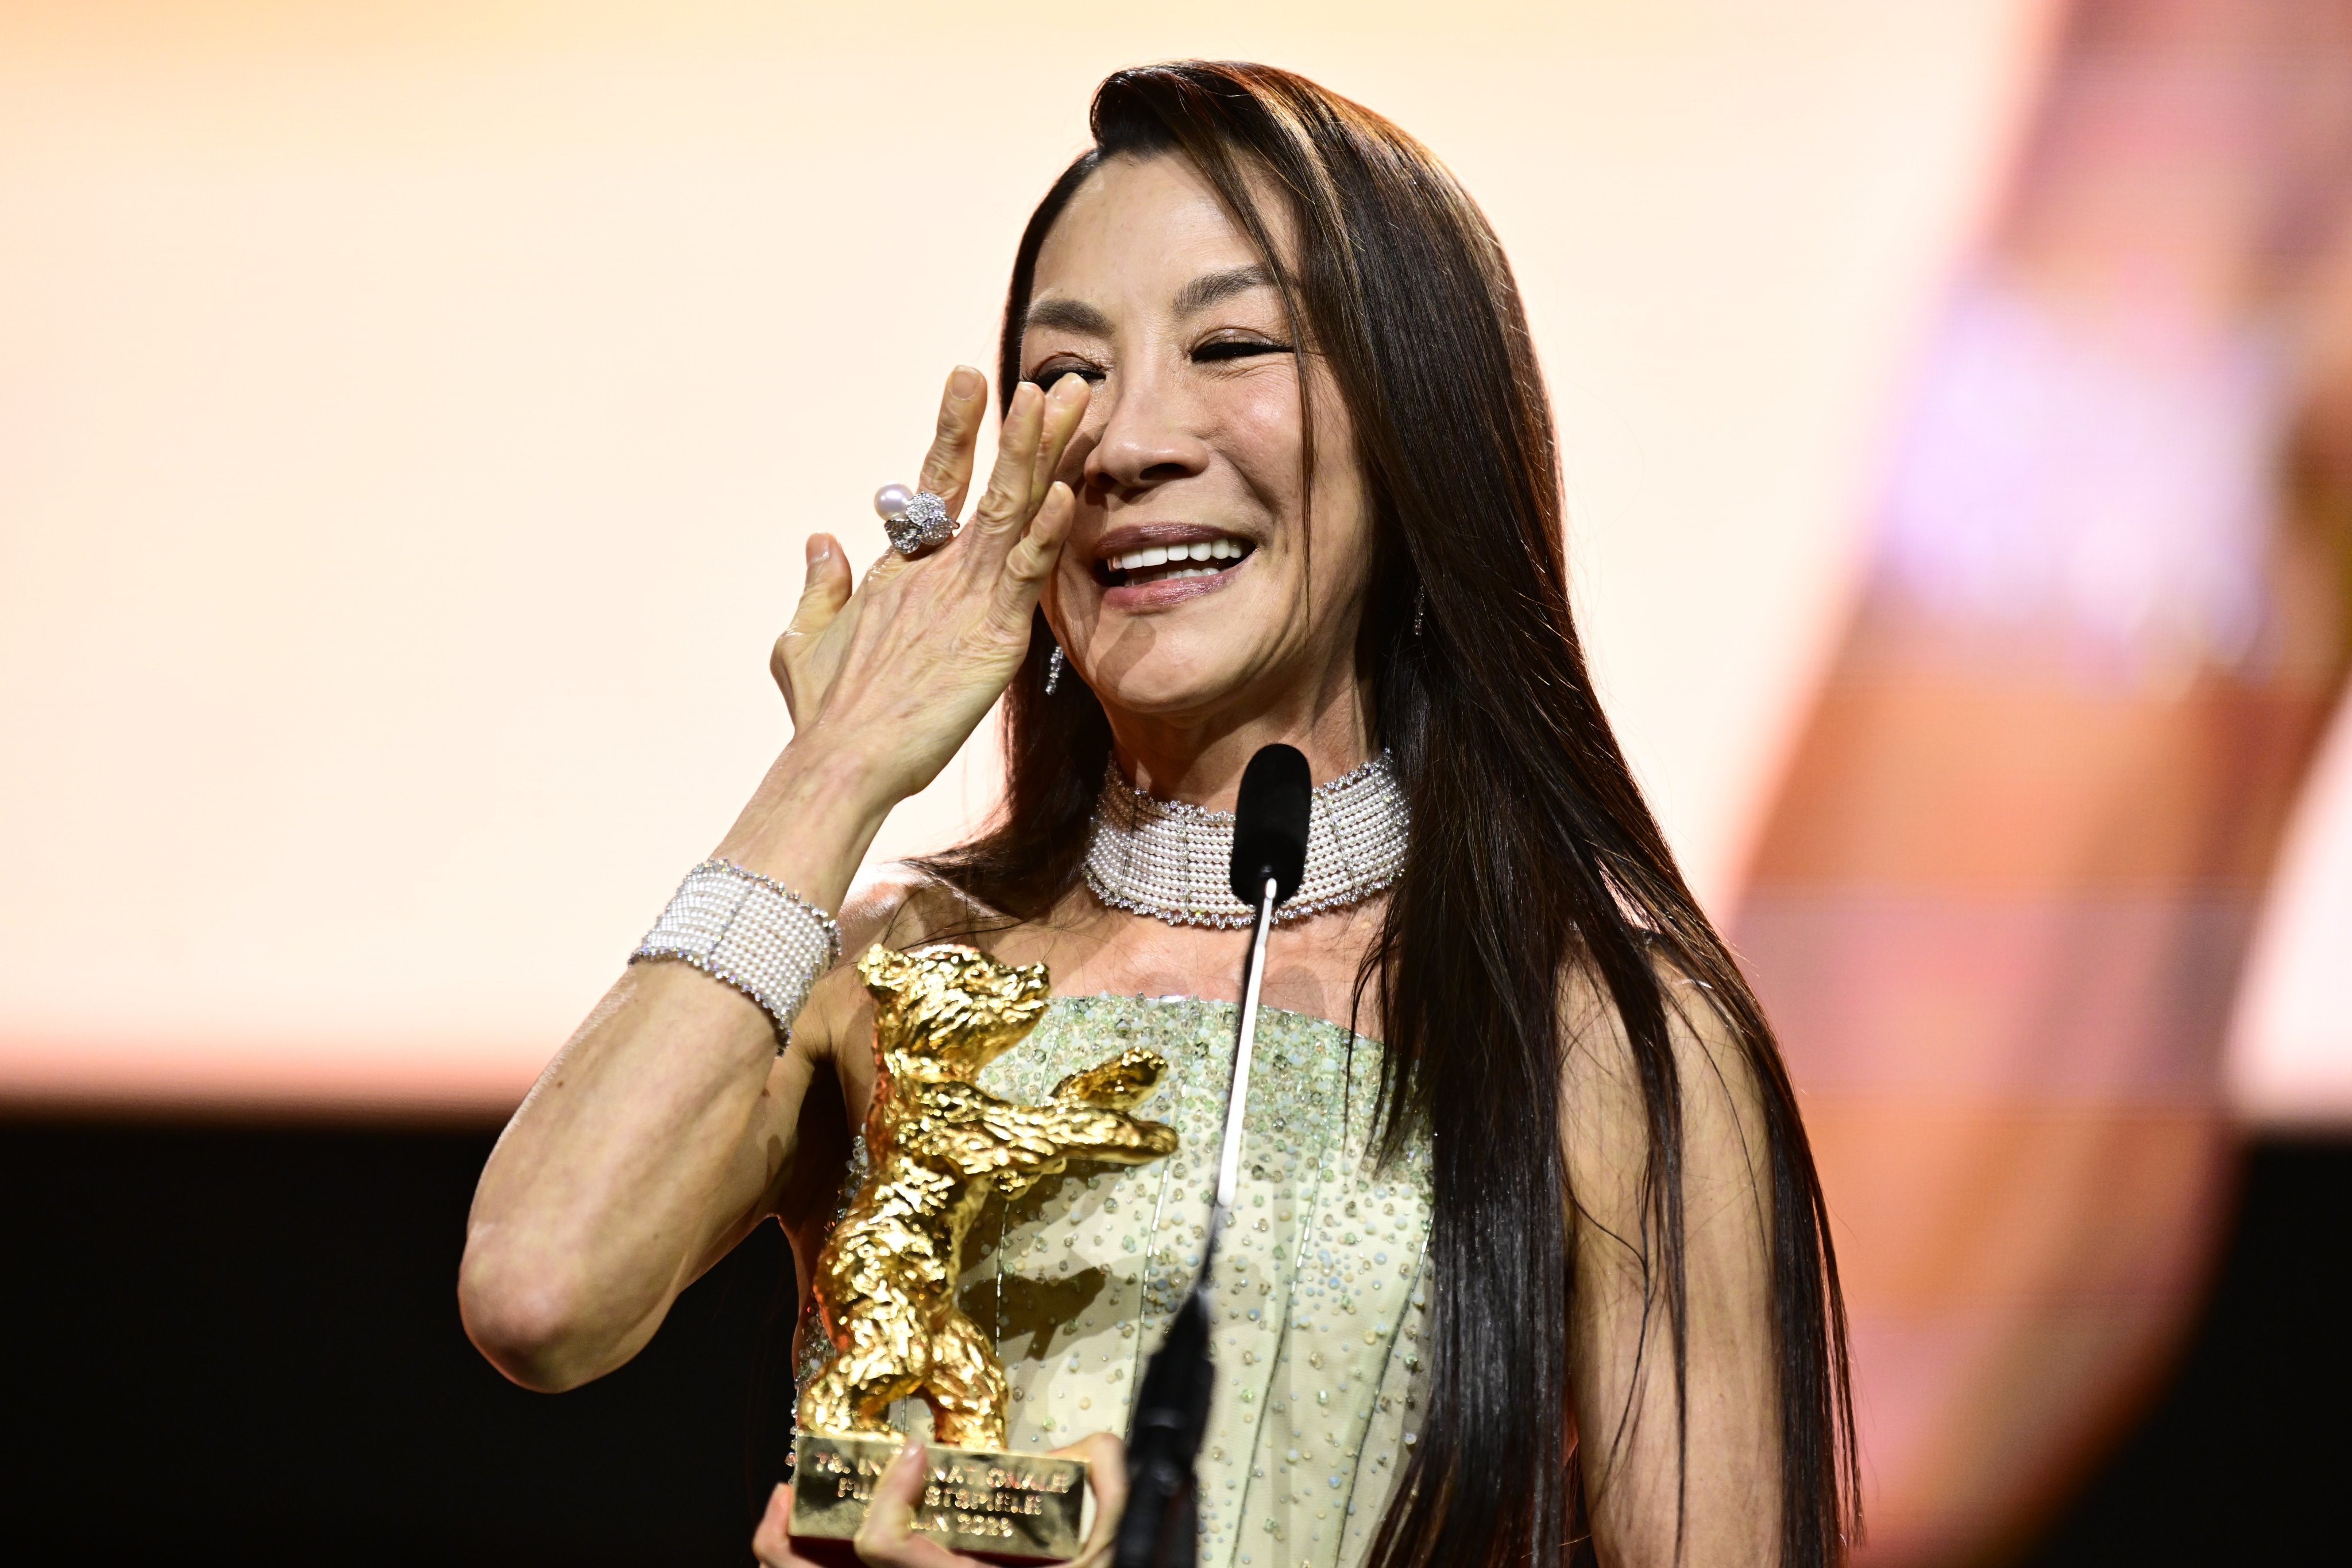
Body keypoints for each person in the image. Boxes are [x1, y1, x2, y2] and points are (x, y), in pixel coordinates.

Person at [458, 61, 1856, 1568]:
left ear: (1417, 424)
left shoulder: (1604, 1033)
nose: (1127, 442)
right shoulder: (889, 977)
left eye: (1231, 345)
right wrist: (839, 763)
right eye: (1067, 377)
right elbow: (539, 1290)